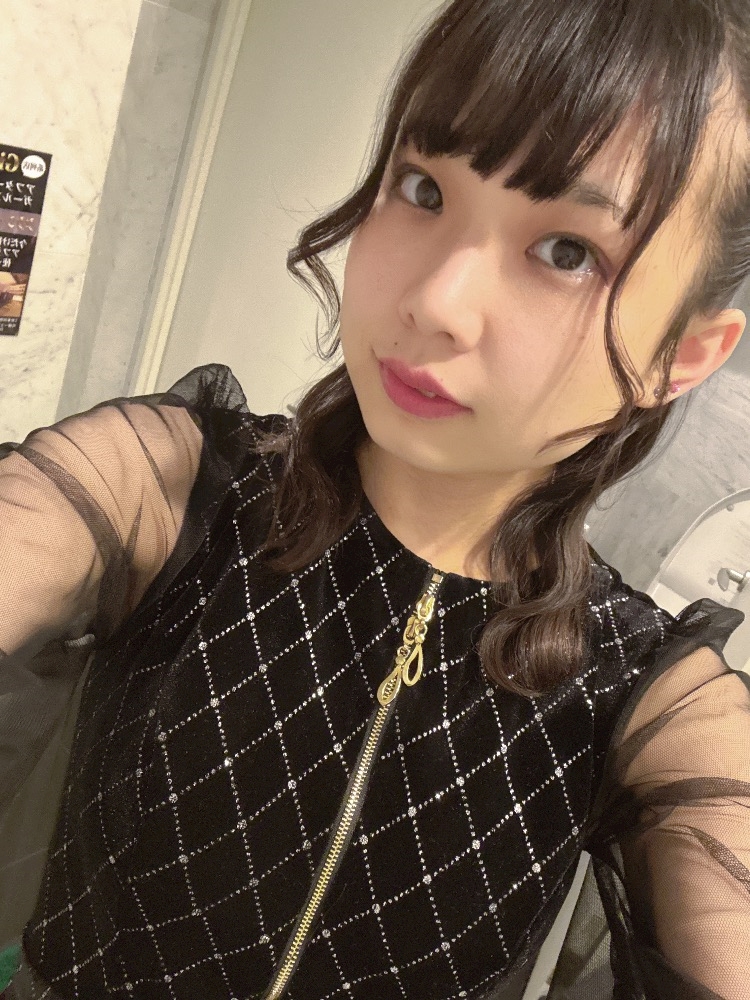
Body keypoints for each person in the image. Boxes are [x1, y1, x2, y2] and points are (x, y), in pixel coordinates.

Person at [1, 0, 749, 997]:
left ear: (683, 354)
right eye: (422, 186)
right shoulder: (173, 490)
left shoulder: (641, 693)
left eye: (568, 251)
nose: (435, 301)